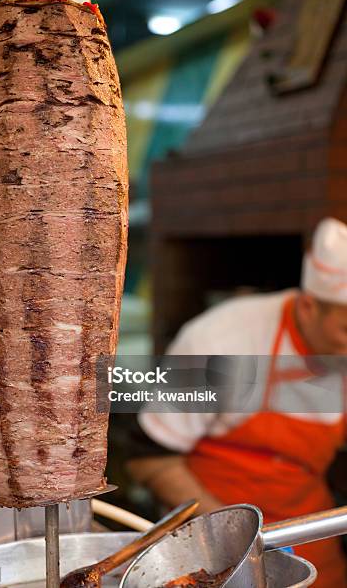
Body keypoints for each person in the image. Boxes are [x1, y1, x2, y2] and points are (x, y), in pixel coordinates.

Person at [128, 217, 347, 587]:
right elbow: (148, 460)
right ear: (309, 307)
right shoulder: (220, 340)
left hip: (311, 537)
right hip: (216, 549)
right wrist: (239, 542)